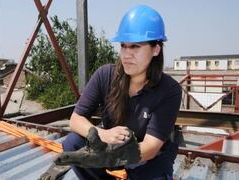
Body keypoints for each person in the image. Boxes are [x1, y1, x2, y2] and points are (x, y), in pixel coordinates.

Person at [59, 4, 181, 180]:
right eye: (123, 45)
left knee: (157, 169)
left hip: (145, 157)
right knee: (73, 143)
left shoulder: (169, 90)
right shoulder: (105, 75)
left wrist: (110, 156)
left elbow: (151, 146)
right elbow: (76, 119)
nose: (126, 54)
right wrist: (102, 134)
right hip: (109, 145)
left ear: (156, 49)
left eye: (135, 46)